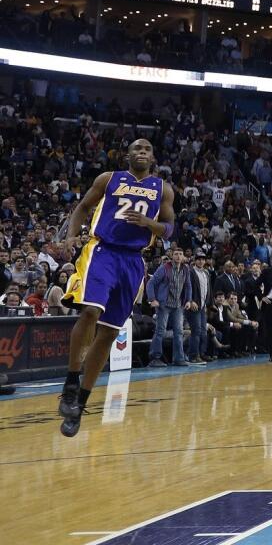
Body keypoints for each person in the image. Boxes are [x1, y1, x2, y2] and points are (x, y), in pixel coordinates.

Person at [58, 139, 175, 437]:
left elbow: (170, 230)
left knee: (109, 332)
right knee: (90, 312)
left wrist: (149, 223)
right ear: (128, 156)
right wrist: (71, 236)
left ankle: (80, 405)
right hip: (103, 251)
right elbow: (82, 207)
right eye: (137, 148)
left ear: (153, 157)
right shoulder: (108, 179)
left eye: (147, 149)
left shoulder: (163, 189)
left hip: (133, 261)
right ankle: (72, 380)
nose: (142, 152)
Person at [147, 249, 194, 367]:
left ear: (183, 257)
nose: (178, 256)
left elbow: (188, 286)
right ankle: (155, 358)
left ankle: (178, 358)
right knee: (160, 331)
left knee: (179, 332)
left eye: (180, 254)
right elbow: (150, 283)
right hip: (164, 305)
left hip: (178, 305)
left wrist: (188, 300)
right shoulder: (164, 268)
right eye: (176, 254)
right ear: (172, 256)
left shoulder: (185, 269)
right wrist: (152, 299)